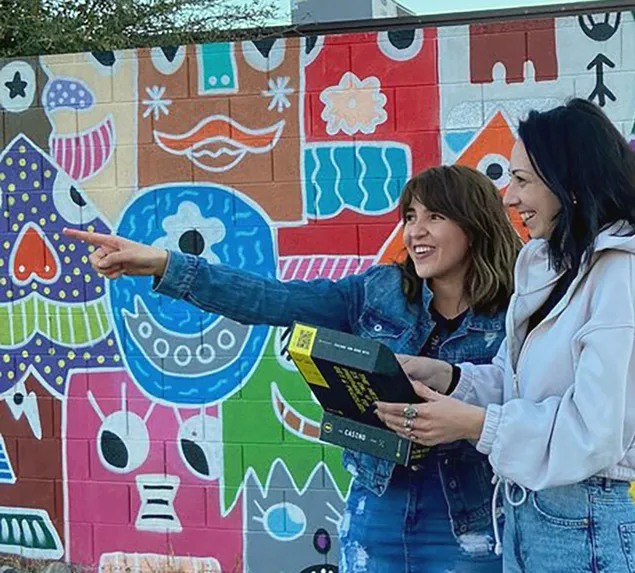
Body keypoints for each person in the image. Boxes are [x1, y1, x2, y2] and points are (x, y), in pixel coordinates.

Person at [65, 165, 523, 573]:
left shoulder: (517, 312)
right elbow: (275, 299)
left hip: (471, 517)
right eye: (410, 217)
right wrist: (164, 263)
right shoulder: (379, 290)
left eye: (434, 217)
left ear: (474, 224)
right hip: (377, 505)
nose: (415, 232)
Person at [375, 98, 635, 573]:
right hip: (529, 520)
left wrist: (473, 425)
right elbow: (521, 385)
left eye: (522, 180)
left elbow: (594, 431)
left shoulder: (623, 277)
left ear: (571, 184)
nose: (509, 197)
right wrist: (449, 377)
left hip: (584, 528)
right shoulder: (557, 268)